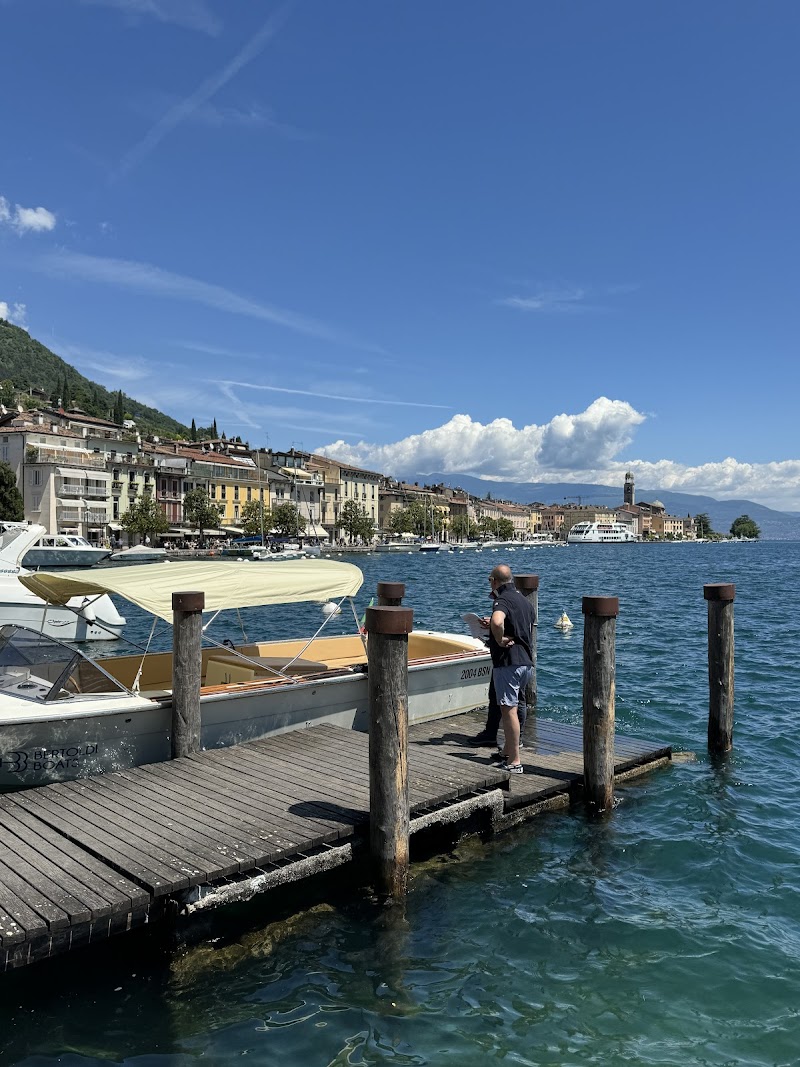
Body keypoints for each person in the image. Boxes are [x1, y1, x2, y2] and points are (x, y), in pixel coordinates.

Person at [484, 563, 535, 774]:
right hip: (526, 663)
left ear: (495, 582)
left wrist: (499, 638)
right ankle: (507, 750)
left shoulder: (501, 600)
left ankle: (515, 761)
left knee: (509, 710)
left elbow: (498, 622)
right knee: (516, 704)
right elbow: (522, 626)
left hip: (509, 663)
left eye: (490, 582)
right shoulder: (525, 601)